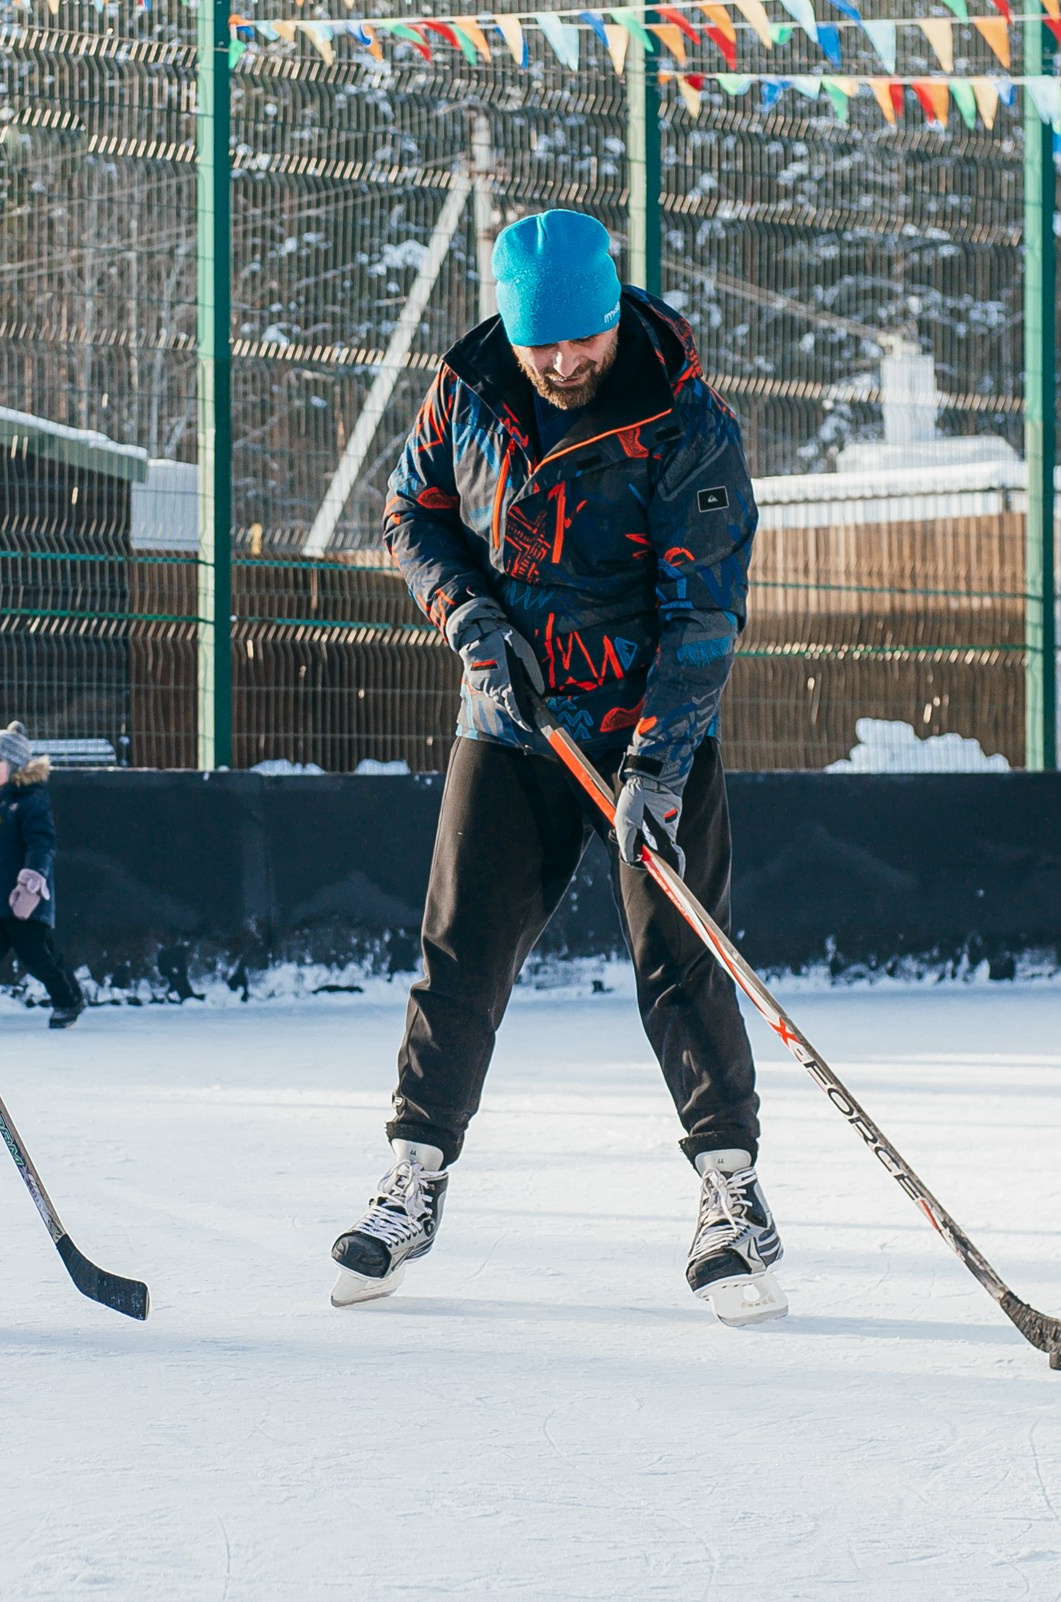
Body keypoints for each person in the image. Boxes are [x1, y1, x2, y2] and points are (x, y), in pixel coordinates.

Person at [327, 210, 783, 1326]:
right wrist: (469, 614)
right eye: (546, 347)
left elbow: (704, 616)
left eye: (584, 341)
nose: (566, 363)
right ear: (512, 330)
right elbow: (411, 514)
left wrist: (659, 765)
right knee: (460, 955)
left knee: (681, 958)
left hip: (644, 733)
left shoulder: (687, 424)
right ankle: (413, 1176)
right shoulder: (468, 392)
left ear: (615, 313)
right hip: (512, 725)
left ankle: (733, 1195)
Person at [0, 721, 88, 1032]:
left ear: (16, 765)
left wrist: (31, 882)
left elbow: (41, 844)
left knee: (37, 954)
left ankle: (68, 999)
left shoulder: (29, 802)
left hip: (22, 900)